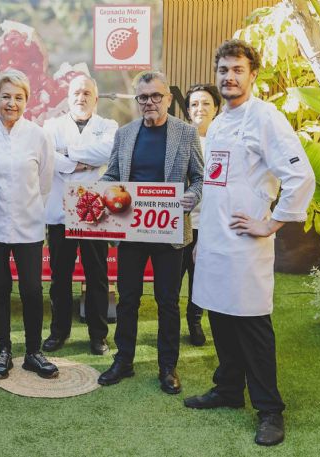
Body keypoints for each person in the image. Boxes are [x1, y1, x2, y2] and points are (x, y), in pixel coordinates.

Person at [185, 40, 315, 446]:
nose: (229, 76)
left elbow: (300, 177)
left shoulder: (266, 119)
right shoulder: (221, 120)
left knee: (252, 325)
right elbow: (220, 180)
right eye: (223, 69)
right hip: (215, 242)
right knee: (220, 318)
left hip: (244, 245)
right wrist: (198, 215)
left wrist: (271, 224)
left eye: (238, 69)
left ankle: (269, 409)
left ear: (253, 74)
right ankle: (227, 390)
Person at [97, 71, 204, 394]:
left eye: (156, 96)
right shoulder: (125, 134)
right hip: (130, 232)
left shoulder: (186, 134)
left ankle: (167, 366)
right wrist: (92, 193)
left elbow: (199, 178)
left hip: (169, 234)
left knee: (167, 302)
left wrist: (192, 196)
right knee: (128, 299)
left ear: (169, 99)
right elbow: (112, 175)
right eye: (143, 97)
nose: (149, 103)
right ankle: (124, 360)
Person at [0, 69, 57, 380]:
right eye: (6, 96)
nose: (12, 103)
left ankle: (34, 351)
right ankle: (3, 350)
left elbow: (45, 183)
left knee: (32, 289)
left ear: (26, 101)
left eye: (18, 97)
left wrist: (26, 206)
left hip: (28, 225)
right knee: (0, 288)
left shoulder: (39, 136)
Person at [42, 75, 118, 356]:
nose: (81, 97)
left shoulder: (109, 126)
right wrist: (84, 162)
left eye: (87, 92)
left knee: (97, 275)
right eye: (76, 92)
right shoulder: (51, 126)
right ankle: (58, 333)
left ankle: (99, 336)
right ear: (68, 96)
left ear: (95, 99)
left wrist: (69, 155)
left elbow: (108, 151)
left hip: (93, 208)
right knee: (59, 276)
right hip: (61, 210)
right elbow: (49, 157)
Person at [180, 83, 221, 346]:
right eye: (194, 104)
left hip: (209, 224)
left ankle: (194, 320)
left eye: (206, 103)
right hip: (180, 223)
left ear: (216, 108)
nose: (200, 109)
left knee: (200, 277)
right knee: (172, 279)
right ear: (187, 110)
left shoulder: (224, 140)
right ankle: (171, 323)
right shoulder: (179, 140)